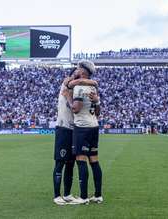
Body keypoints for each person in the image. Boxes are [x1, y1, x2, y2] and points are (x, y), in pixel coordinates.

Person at [53, 68, 98, 205]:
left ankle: (67, 194)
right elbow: (83, 81)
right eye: (75, 74)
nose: (78, 76)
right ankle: (56, 196)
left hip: (75, 130)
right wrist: (81, 78)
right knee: (60, 162)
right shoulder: (66, 84)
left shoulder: (77, 90)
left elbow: (88, 83)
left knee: (70, 164)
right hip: (64, 128)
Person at [66, 60, 103, 205]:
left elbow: (76, 108)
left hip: (82, 127)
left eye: (78, 68)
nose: (76, 69)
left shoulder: (80, 87)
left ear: (83, 71)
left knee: (81, 160)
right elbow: (98, 112)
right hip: (94, 125)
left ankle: (83, 197)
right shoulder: (93, 88)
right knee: (94, 161)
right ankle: (98, 195)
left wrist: (68, 96)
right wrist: (98, 102)